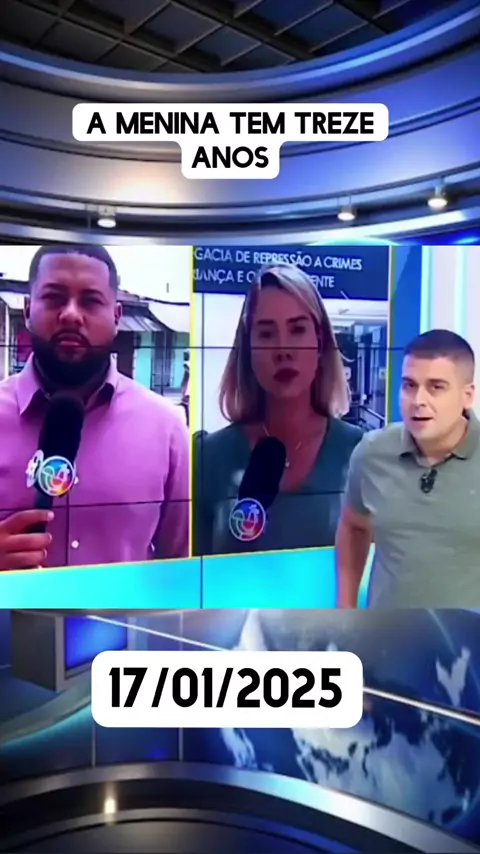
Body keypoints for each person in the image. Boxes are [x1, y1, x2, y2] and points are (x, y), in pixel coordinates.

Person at [0, 245, 189, 570]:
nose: (71, 314)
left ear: (116, 316)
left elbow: (182, 571)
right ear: (28, 309)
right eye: (54, 298)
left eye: (90, 301)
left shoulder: (167, 429)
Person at [193, 263, 363, 556]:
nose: (283, 349)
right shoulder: (208, 458)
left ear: (320, 342)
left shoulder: (363, 453)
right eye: (266, 333)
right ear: (248, 348)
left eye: (297, 330)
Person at [336, 328, 480, 608]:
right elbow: (353, 526)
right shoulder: (372, 452)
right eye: (409, 385)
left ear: (467, 395)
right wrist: (346, 607)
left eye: (436, 387)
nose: (418, 401)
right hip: (386, 631)